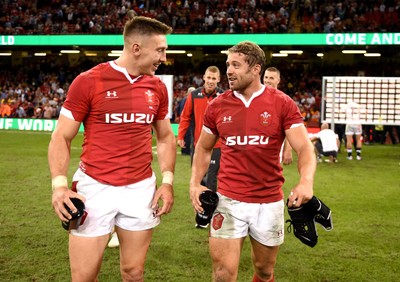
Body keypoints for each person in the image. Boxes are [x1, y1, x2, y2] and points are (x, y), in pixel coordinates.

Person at [48, 16, 176, 281]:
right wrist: (59, 186)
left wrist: (167, 181)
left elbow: (164, 137)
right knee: (84, 276)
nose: (164, 57)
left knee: (134, 273)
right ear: (136, 48)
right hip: (95, 188)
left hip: (140, 190)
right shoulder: (88, 81)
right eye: (160, 50)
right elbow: (61, 136)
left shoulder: (157, 87)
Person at [189, 41, 316, 282]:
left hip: (268, 201)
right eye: (228, 64)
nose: (229, 71)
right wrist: (195, 182)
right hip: (228, 199)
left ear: (256, 69)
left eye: (236, 65)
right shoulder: (218, 106)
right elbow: (203, 148)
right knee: (223, 274)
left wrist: (305, 182)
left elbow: (305, 148)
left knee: (264, 270)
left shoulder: (282, 103)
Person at [177, 66, 224, 193]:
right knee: (198, 178)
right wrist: (180, 136)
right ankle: (199, 209)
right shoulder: (193, 95)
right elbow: (185, 117)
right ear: (204, 78)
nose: (210, 81)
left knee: (211, 179)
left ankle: (209, 210)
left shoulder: (223, 97)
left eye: (213, 78)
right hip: (198, 145)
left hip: (217, 146)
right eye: (208, 77)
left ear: (218, 79)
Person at [263, 67, 293, 165]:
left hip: (274, 150)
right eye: (266, 77)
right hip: (253, 147)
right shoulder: (254, 97)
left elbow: (290, 127)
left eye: (271, 78)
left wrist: (288, 149)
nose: (267, 81)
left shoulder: (284, 101)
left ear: (278, 80)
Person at [175, 86, 196, 155]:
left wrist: (177, 116)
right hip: (188, 120)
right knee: (188, 136)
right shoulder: (190, 100)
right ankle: (186, 151)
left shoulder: (183, 99)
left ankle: (184, 150)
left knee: (183, 135)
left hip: (182, 119)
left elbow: (177, 109)